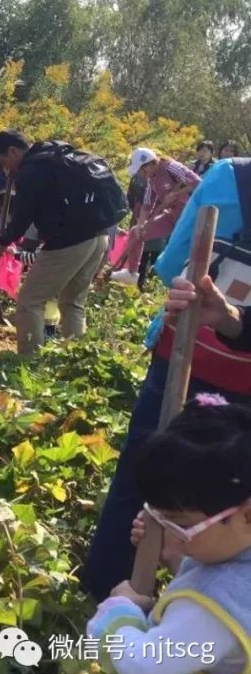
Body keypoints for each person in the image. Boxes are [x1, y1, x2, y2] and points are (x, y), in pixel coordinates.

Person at [82, 156, 251, 601]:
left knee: (151, 469)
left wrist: (227, 313)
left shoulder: (232, 179)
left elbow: (172, 265)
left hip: (193, 358)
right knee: (233, 496)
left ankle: (112, 589)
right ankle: (211, 605)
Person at [86, 396, 251, 674]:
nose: (168, 532)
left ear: (247, 515)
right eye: (162, 518)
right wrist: (178, 559)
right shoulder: (232, 553)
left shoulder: (211, 610)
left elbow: (148, 670)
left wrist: (118, 615)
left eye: (182, 524)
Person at [0, 130, 125, 357]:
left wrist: (4, 240)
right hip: (99, 235)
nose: (6, 169)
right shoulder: (57, 155)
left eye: (5, 162)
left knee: (29, 301)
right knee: (72, 302)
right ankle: (75, 359)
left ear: (13, 151)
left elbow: (24, 215)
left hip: (68, 240)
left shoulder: (32, 170)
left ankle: (29, 361)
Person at [112, 149, 199, 290]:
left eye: (141, 170)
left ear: (148, 164)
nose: (141, 174)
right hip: (171, 215)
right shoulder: (151, 180)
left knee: (180, 250)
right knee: (136, 232)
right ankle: (131, 273)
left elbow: (197, 182)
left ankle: (187, 283)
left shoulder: (171, 167)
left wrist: (176, 193)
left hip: (189, 214)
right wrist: (141, 225)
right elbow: (147, 204)